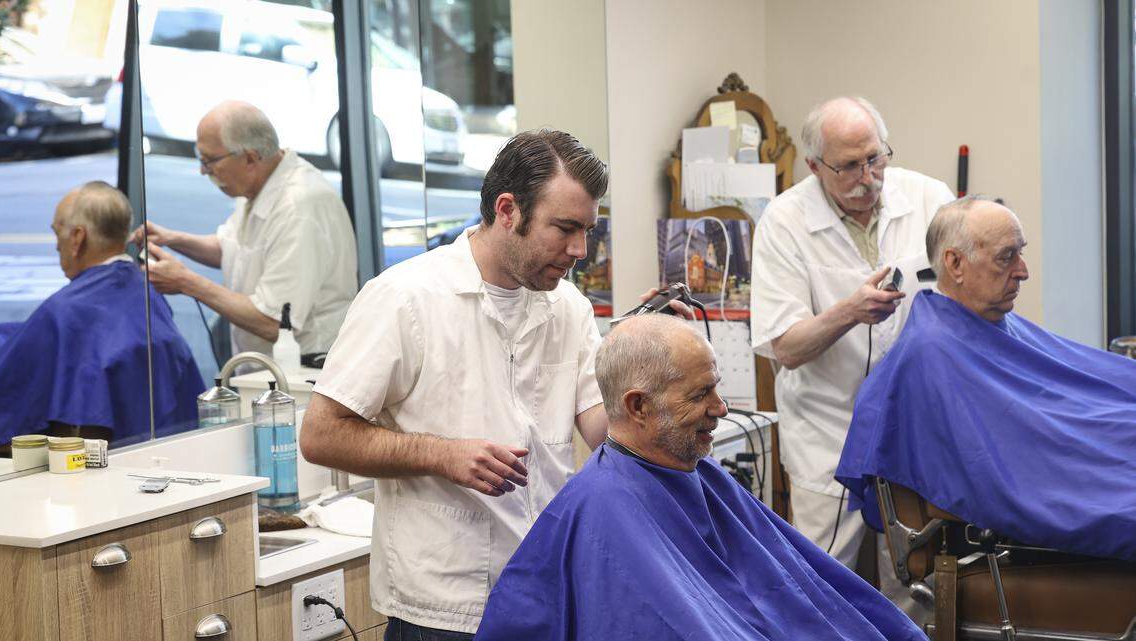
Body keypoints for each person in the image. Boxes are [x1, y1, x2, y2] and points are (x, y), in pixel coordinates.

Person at [299, 129, 615, 638]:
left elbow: (601, 429)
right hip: (446, 612)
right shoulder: (405, 299)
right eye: (565, 228)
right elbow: (320, 435)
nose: (580, 249)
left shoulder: (569, 307)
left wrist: (648, 365)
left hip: (547, 594)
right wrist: (442, 455)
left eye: (587, 230)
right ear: (507, 209)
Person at [475, 314, 927, 641]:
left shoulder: (701, 474)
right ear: (638, 406)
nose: (722, 408)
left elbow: (808, 583)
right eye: (700, 395)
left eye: (716, 387)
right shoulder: (600, 508)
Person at [838, 196, 1136, 562]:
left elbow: (1074, 394)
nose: (1023, 271)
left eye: (1020, 253)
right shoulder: (930, 352)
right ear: (955, 263)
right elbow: (999, 472)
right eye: (1006, 257)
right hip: (1067, 486)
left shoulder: (990, 324)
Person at [749, 96, 954, 576]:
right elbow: (786, 348)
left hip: (914, 428)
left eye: (875, 158)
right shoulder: (783, 222)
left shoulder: (929, 199)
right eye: (849, 167)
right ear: (815, 166)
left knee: (914, 578)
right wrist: (848, 312)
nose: (868, 177)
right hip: (827, 430)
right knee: (821, 578)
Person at [131, 100, 357, 361]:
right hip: (264, 368)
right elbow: (233, 249)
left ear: (250, 157)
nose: (203, 171)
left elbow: (274, 321)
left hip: (306, 366)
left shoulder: (298, 207)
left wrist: (187, 282)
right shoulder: (258, 186)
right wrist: (173, 239)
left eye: (210, 161)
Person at [0, 181, 204, 447]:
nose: (56, 246)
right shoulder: (147, 292)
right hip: (170, 450)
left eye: (57, 233)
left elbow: (12, 388)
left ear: (77, 238)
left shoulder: (63, 311)